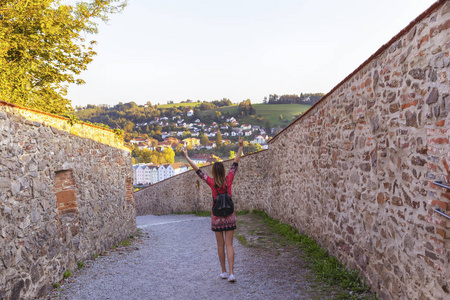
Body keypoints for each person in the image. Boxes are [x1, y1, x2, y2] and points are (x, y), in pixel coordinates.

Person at [182, 137, 244, 283]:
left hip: (216, 217)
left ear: (213, 172)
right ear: (223, 171)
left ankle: (223, 271)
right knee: (229, 244)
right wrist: (240, 147)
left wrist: (186, 156)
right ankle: (232, 273)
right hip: (229, 215)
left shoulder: (211, 182)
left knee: (220, 245)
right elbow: (235, 163)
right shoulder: (229, 179)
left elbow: (197, 170)